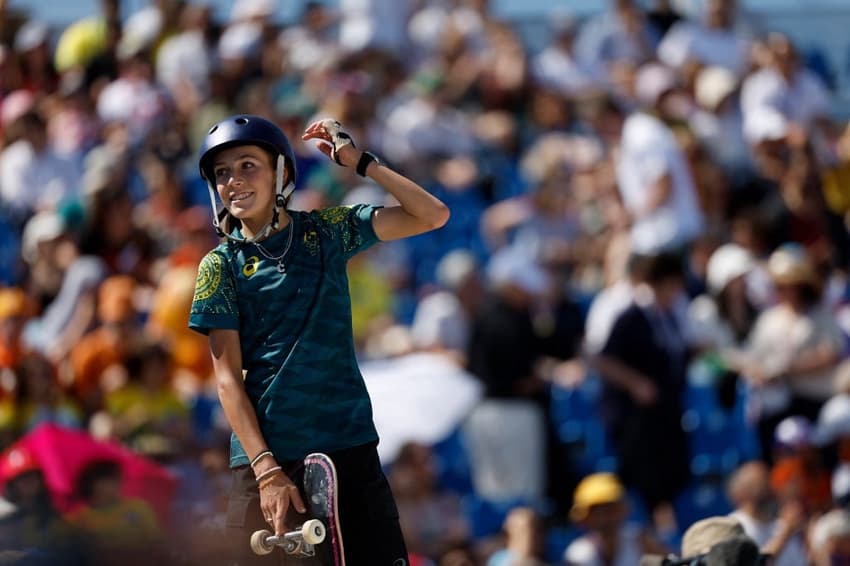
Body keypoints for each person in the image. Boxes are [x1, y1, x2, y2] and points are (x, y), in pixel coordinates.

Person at [188, 114, 449, 565]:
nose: (233, 181)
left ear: (281, 173)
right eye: (223, 173)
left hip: (348, 448)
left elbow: (432, 215)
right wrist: (267, 472)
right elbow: (227, 380)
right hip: (269, 463)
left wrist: (361, 162)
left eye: (248, 165)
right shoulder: (219, 266)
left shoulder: (327, 232)